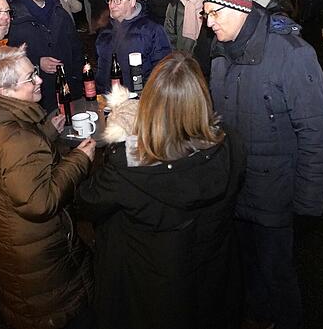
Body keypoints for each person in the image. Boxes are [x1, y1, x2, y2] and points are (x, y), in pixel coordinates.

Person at [203, 0, 323, 329]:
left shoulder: (292, 55)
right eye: (205, 15)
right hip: (236, 192)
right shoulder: (219, 56)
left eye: (215, 12)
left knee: (278, 275)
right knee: (246, 270)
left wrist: (307, 203)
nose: (209, 22)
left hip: (276, 196)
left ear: (240, 7)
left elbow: (317, 132)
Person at [77, 53, 245, 329]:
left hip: (152, 285)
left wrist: (127, 139)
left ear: (151, 105)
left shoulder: (128, 165)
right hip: (210, 273)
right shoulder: (230, 142)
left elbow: (88, 200)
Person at [0, 45, 96, 329]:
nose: (38, 80)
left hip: (13, 246)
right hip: (36, 260)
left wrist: (46, 131)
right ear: (7, 91)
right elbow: (41, 202)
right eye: (30, 78)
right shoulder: (16, 141)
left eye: (34, 72)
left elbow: (16, 164)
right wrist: (80, 160)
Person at [8, 0, 83, 112]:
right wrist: (37, 62)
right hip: (36, 91)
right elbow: (10, 55)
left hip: (66, 85)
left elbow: (76, 46)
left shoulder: (59, 11)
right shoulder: (14, 17)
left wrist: (76, 78)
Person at [95, 0, 172, 93]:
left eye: (117, 0)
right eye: (110, 0)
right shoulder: (105, 31)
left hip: (141, 99)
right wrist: (101, 91)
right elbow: (102, 67)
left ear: (132, 2)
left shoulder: (152, 30)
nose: (112, 5)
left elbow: (163, 69)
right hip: (110, 98)